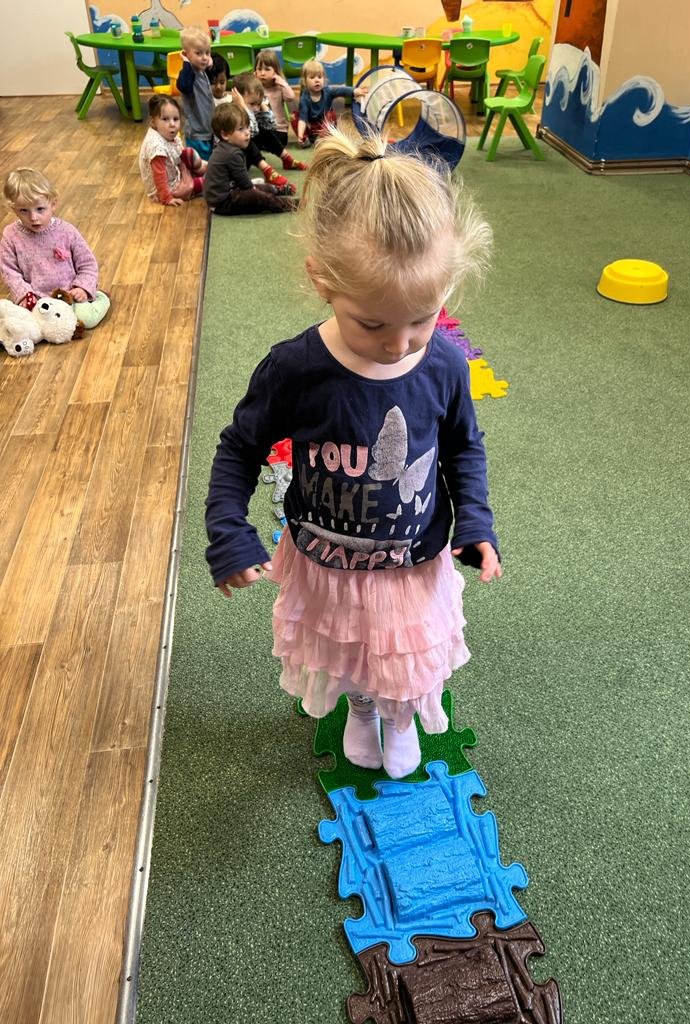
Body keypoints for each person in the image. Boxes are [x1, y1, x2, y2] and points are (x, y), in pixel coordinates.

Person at [204, 121, 500, 780]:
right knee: (349, 653)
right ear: (322, 279)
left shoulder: (445, 366)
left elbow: (463, 446)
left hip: (411, 562)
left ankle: (399, 714)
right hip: (328, 561)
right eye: (372, 322)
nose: (399, 343)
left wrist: (476, 522)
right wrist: (228, 529)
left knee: (402, 656)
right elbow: (240, 447)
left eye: (423, 317)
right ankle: (362, 708)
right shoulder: (294, 369)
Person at [1, 167, 110, 328]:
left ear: (53, 204)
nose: (33, 217)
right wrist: (24, 294)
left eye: (40, 209)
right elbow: (9, 271)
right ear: (14, 210)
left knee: (87, 320)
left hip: (69, 296)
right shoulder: (10, 235)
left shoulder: (67, 231)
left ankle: (101, 298)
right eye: (24, 211)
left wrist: (83, 287)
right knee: (26, 327)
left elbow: (87, 263)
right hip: (36, 300)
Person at [203, 103, 297, 216]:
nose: (247, 132)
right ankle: (287, 204)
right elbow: (246, 186)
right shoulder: (232, 154)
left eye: (247, 127)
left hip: (226, 194)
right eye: (241, 129)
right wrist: (258, 193)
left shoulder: (226, 148)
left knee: (260, 188)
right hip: (223, 203)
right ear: (225, 135)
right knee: (256, 196)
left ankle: (278, 190)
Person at [231, 74, 305, 184]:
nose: (256, 108)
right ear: (238, 99)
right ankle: (267, 170)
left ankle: (286, 159)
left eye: (258, 104)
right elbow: (252, 131)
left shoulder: (254, 109)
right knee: (246, 137)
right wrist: (243, 106)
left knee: (265, 131)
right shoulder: (233, 113)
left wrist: (263, 106)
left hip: (246, 160)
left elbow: (271, 126)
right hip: (236, 164)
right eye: (252, 104)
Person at [139, 95, 207, 207]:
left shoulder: (165, 133)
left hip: (175, 171)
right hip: (169, 187)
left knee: (189, 153)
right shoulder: (156, 147)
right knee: (205, 183)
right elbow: (159, 175)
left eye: (175, 119)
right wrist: (167, 198)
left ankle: (203, 169)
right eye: (165, 119)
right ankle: (207, 177)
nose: (172, 124)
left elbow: (178, 152)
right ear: (153, 122)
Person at [292, 59, 366, 147]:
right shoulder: (305, 97)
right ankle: (304, 139)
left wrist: (354, 91)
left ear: (324, 79)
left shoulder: (327, 91)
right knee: (294, 116)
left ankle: (322, 138)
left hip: (325, 127)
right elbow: (302, 119)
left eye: (319, 77)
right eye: (312, 77)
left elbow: (341, 90)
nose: (317, 80)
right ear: (305, 81)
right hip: (311, 127)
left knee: (331, 114)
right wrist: (300, 134)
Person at [255, 50, 302, 164]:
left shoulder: (279, 87)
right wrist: (252, 81)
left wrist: (281, 81)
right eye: (259, 69)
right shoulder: (255, 88)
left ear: (275, 71)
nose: (262, 73)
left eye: (267, 69)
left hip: (279, 132)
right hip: (261, 131)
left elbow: (291, 97)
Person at [177, 25, 215, 161]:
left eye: (207, 53)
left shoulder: (201, 70)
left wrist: (211, 61)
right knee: (199, 166)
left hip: (208, 130)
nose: (204, 58)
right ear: (186, 55)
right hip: (196, 134)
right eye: (199, 53)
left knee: (210, 162)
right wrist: (186, 64)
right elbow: (184, 86)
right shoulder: (187, 74)